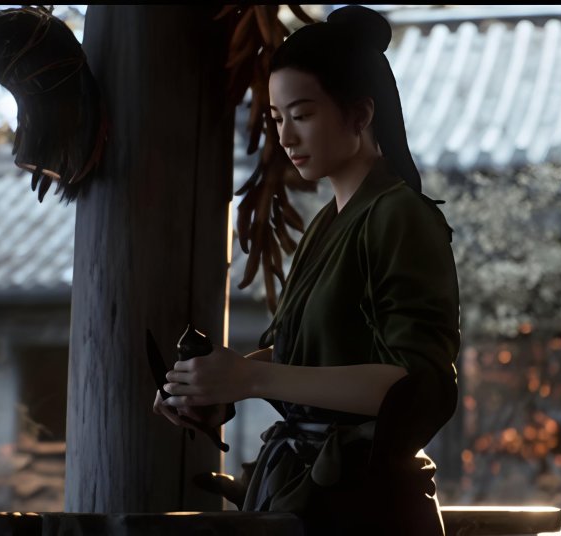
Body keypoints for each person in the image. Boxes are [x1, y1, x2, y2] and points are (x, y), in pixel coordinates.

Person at [152, 5, 461, 534]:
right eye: (277, 119)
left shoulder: (400, 215)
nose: (286, 137)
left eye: (302, 115)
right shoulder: (331, 220)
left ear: (359, 115)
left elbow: (415, 385)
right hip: (317, 493)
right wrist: (214, 384)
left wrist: (252, 377)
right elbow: (310, 356)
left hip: (372, 506)